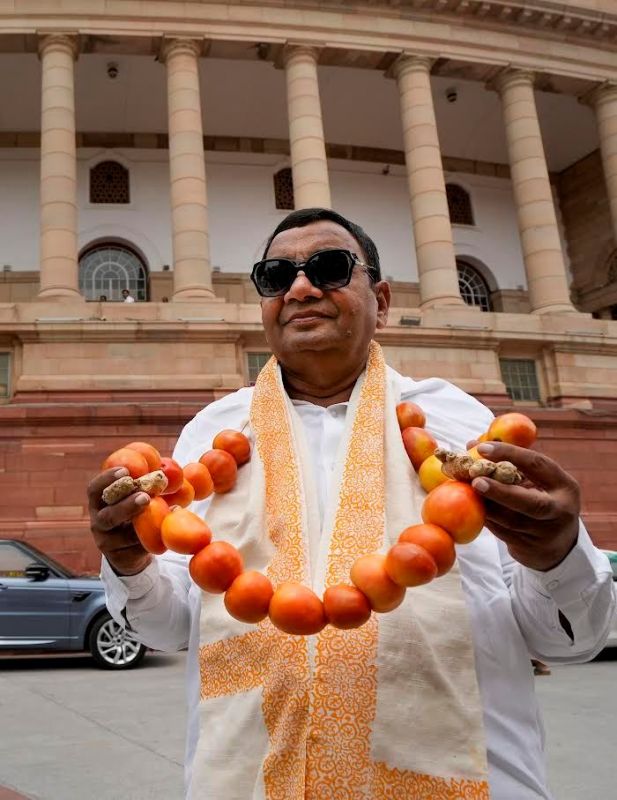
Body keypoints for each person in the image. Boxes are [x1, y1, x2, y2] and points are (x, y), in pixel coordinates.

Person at [89, 208, 615, 800]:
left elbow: (568, 640)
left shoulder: (460, 427)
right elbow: (174, 627)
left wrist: (555, 556)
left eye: (330, 267)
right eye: (275, 276)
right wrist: (131, 562)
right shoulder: (210, 437)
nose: (301, 288)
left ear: (382, 300)